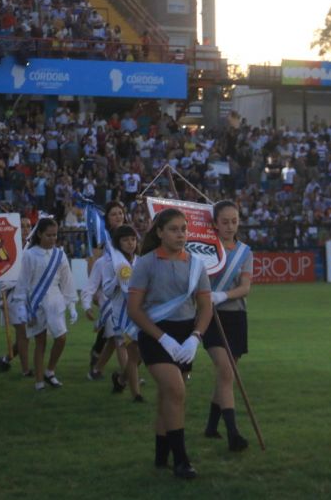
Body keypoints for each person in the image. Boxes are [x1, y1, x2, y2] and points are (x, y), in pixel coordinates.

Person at [127, 208, 212, 479]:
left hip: (186, 336)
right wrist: (161, 337)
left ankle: (161, 455)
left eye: (183, 229)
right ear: (160, 232)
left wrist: (195, 338)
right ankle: (181, 460)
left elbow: (206, 307)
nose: (180, 234)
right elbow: (134, 309)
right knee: (176, 391)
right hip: (155, 336)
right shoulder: (146, 263)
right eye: (174, 229)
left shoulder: (196, 264)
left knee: (168, 396)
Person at [202, 201, 253, 451]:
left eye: (234, 221)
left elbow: (245, 287)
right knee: (225, 371)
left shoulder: (245, 251)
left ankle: (211, 426)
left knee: (225, 376)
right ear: (215, 223)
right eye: (225, 221)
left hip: (235, 317)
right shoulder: (205, 249)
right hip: (209, 318)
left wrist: (223, 295)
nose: (230, 226)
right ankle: (233, 433)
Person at [12, 218, 77, 391]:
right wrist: (21, 309)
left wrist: (71, 305)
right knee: (40, 342)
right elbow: (23, 282)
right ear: (39, 234)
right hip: (35, 302)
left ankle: (50, 370)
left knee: (61, 338)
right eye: (48, 235)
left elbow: (67, 280)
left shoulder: (60, 255)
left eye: (55, 235)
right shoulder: (30, 254)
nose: (52, 238)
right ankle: (39, 381)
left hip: (55, 301)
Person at [98, 224, 144, 401]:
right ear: (118, 243)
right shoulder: (111, 264)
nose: (130, 243)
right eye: (125, 240)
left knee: (139, 355)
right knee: (133, 353)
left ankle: (121, 379)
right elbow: (107, 291)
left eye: (133, 239)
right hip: (121, 313)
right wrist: (118, 279)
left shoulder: (140, 261)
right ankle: (136, 394)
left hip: (140, 312)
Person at [87, 202, 127, 373]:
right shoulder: (102, 237)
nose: (118, 216)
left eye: (120, 213)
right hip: (107, 292)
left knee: (114, 335)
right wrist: (94, 291)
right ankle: (128, 375)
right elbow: (94, 263)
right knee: (119, 334)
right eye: (114, 214)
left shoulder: (129, 235)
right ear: (107, 219)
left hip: (125, 291)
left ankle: (97, 364)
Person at [0, 217, 33, 376]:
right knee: (23, 333)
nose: (25, 229)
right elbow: (2, 274)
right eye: (22, 226)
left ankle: (5, 359)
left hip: (31, 296)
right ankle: (26, 370)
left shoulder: (35, 248)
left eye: (28, 226)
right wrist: (1, 296)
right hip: (13, 296)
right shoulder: (8, 248)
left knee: (26, 336)